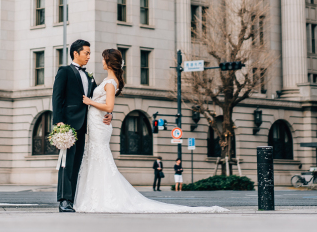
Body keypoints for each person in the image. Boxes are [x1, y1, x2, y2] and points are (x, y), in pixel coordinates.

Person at [73, 48, 226, 213]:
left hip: (100, 126)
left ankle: (101, 199)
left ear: (109, 62)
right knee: (95, 157)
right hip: (97, 123)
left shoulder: (110, 82)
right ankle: (95, 197)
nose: (101, 61)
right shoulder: (108, 80)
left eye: (104, 59)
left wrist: (90, 102)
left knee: (99, 157)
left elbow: (109, 106)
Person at [51, 39, 112, 213]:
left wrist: (109, 113)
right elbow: (57, 97)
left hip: (86, 125)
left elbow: (98, 99)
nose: (89, 56)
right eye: (86, 53)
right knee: (67, 163)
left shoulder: (89, 76)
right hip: (69, 125)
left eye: (89, 53)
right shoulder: (64, 71)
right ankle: (64, 200)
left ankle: (72, 199)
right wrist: (59, 122)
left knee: (77, 164)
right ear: (75, 53)